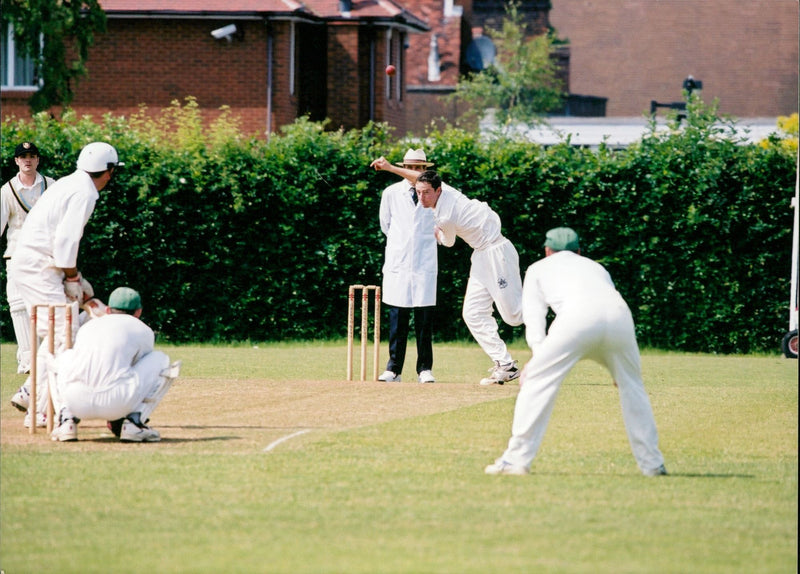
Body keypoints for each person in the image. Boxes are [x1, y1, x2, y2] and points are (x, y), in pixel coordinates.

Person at [485, 227, 667, 476]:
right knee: (632, 387)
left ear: (547, 251)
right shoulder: (596, 267)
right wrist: (621, 369)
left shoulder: (538, 268)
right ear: (579, 251)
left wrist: (537, 362)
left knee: (537, 381)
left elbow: (535, 320)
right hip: (620, 317)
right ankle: (653, 465)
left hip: (577, 318)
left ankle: (515, 461)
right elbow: (608, 301)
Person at [370, 158, 523, 385]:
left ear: (437, 191)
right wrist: (390, 168)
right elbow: (418, 179)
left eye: (426, 194)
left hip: (497, 251)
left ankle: (563, 309)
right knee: (472, 313)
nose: (421, 197)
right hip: (481, 254)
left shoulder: (445, 214)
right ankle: (505, 365)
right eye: (418, 192)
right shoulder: (445, 190)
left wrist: (438, 234)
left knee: (514, 316)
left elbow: (448, 242)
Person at [8, 142, 123, 427]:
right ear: (108, 172)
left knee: (62, 328)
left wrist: (76, 278)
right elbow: (66, 241)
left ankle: (29, 392)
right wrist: (72, 278)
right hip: (39, 265)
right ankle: (44, 409)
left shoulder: (71, 182)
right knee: (65, 330)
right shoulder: (85, 192)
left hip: (38, 263)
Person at [50, 286, 180, 442]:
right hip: (118, 402)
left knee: (61, 357)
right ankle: (133, 422)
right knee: (161, 359)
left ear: (109, 310)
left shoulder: (87, 327)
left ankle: (66, 420)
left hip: (76, 402)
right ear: (138, 312)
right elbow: (138, 367)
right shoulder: (143, 330)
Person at [376, 149, 457, 384]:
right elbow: (386, 225)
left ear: (424, 170)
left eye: (418, 167)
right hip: (399, 262)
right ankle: (393, 369)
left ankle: (424, 369)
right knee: (397, 317)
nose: (413, 171)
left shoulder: (437, 194)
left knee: (424, 318)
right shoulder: (391, 193)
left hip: (424, 261)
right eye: (409, 166)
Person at [1, 142, 57, 374]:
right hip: (16, 254)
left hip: (44, 255)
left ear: (38, 160)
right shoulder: (6, 191)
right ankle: (26, 357)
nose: (27, 160)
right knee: (18, 304)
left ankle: (43, 355)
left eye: (32, 156)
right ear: (16, 161)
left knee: (45, 304)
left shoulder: (51, 186)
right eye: (23, 157)